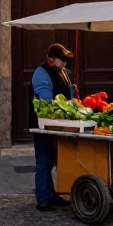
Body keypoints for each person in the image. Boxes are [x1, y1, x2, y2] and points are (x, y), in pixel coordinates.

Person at [30, 43, 76, 212]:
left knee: (52, 161)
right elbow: (47, 102)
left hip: (58, 125)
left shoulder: (63, 72)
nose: (64, 63)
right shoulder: (41, 74)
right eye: (61, 60)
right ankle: (42, 199)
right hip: (42, 125)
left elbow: (69, 95)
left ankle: (51, 194)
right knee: (43, 160)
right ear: (51, 60)